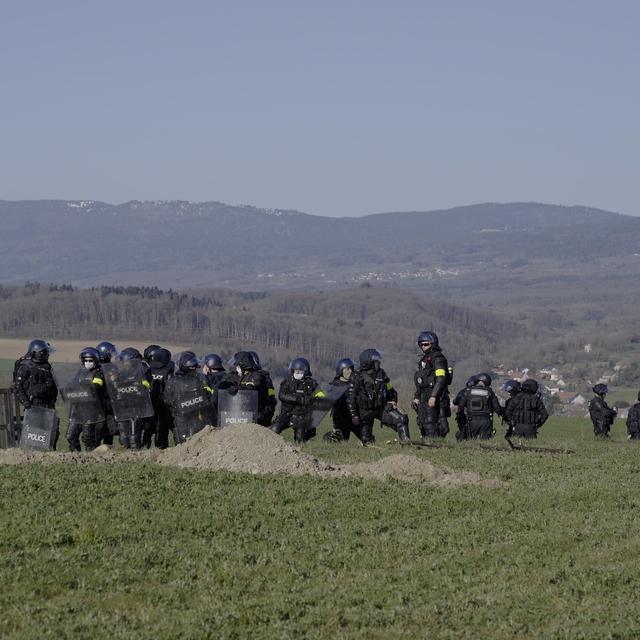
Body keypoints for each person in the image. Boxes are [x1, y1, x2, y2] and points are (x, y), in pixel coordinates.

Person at [347, 348, 410, 445]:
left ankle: (406, 442)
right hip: (365, 412)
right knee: (366, 440)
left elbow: (391, 390)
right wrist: (354, 415)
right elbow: (351, 398)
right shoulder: (356, 376)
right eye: (375, 360)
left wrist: (393, 400)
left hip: (381, 408)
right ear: (369, 362)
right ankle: (369, 442)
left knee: (401, 419)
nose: (378, 362)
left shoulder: (381, 373)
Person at [14, 339, 59, 449]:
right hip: (34, 404)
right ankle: (33, 454)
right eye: (45, 353)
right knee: (34, 433)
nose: (47, 355)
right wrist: (25, 402)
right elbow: (18, 387)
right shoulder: (25, 367)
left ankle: (50, 452)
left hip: (48, 404)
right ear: (36, 352)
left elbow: (54, 384)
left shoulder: (47, 367)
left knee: (53, 431)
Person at [163, 351, 213, 444]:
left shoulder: (173, 381)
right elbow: (209, 396)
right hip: (199, 416)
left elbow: (167, 400)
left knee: (182, 444)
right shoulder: (202, 378)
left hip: (182, 417)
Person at [271, 358, 325, 443]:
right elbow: (281, 395)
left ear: (306, 372)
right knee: (274, 429)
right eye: (296, 371)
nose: (298, 373)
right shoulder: (287, 382)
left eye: (300, 371)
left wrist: (313, 401)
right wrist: (299, 399)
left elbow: (321, 397)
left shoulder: (312, 384)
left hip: (302, 415)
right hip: (287, 413)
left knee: (300, 438)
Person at [219, 351, 276, 427]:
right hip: (238, 411)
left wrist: (236, 388)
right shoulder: (237, 376)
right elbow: (222, 384)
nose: (236, 367)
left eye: (237, 365)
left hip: (257, 413)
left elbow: (252, 387)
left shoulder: (258, 376)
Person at [65, 347, 107, 452]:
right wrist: (68, 389)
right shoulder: (80, 373)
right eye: (85, 360)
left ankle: (91, 459)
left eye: (90, 360)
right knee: (71, 436)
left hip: (91, 412)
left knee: (88, 439)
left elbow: (96, 386)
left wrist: (80, 387)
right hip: (78, 410)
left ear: (96, 361)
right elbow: (71, 385)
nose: (88, 363)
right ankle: (76, 457)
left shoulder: (99, 373)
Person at [412, 331, 450, 440]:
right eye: (421, 344)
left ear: (433, 343)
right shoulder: (423, 360)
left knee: (431, 423)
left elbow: (441, 379)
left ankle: (434, 446)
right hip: (424, 396)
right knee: (423, 422)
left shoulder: (438, 358)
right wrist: (416, 397)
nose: (423, 347)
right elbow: (421, 383)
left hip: (435, 396)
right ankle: (427, 444)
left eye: (426, 344)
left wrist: (434, 396)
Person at [455, 373, 503, 440]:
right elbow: (497, 408)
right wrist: (502, 413)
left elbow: (460, 406)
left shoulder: (468, 392)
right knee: (485, 442)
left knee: (470, 441)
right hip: (485, 421)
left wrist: (460, 416)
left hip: (471, 421)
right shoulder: (489, 392)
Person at [323, 358, 356, 442]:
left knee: (365, 438)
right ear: (340, 370)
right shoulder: (335, 385)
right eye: (347, 369)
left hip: (355, 418)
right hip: (341, 418)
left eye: (351, 369)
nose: (350, 371)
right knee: (342, 440)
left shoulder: (356, 383)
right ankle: (329, 436)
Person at [147, 347, 174, 448]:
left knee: (148, 429)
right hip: (163, 404)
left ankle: (143, 447)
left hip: (149, 403)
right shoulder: (169, 370)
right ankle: (161, 449)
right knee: (162, 428)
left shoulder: (148, 369)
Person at [95, 340, 118, 444]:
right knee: (98, 429)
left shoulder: (113, 367)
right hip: (100, 404)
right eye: (110, 353)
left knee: (110, 430)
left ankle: (108, 451)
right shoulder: (96, 369)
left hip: (111, 403)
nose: (112, 355)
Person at [202, 353, 226, 426]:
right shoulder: (226, 377)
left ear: (208, 367)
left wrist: (205, 376)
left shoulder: (208, 379)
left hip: (212, 415)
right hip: (225, 414)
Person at [452, 375, 477, 440]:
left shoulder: (463, 391)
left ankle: (461, 438)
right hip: (475, 416)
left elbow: (455, 401)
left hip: (462, 415)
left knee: (463, 430)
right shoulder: (479, 392)